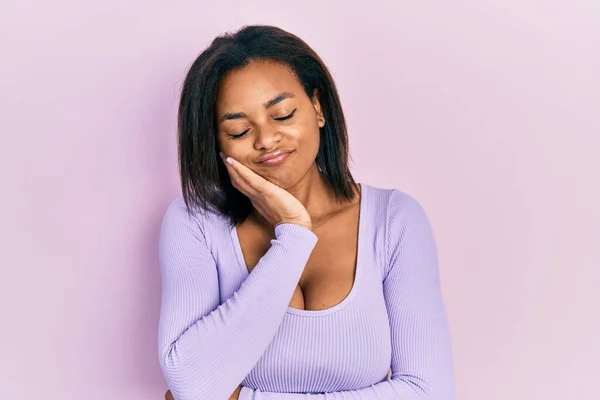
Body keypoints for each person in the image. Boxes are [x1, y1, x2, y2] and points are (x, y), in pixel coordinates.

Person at [158, 25, 455, 400]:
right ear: (215, 142)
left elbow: (428, 392)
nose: (266, 140)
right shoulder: (195, 222)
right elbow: (190, 382)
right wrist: (294, 235)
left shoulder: (395, 221)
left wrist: (245, 398)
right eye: (238, 130)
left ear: (317, 108)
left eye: (282, 115)